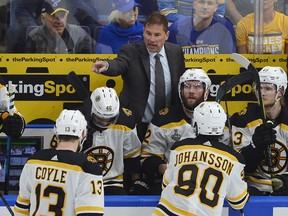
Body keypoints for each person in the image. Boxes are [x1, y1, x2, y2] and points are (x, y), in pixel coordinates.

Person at [92, 11, 186, 142]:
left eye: (157, 35)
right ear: (143, 32)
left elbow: (181, 84)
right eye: (148, 33)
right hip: (136, 123)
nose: (152, 39)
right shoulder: (131, 51)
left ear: (166, 35)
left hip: (166, 126)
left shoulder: (176, 52)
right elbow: (119, 64)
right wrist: (107, 65)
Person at [152, 101, 249, 216]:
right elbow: (238, 202)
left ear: (196, 124)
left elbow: (165, 185)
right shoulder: (233, 158)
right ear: (222, 125)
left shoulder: (179, 148)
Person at [14, 109, 104, 215]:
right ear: (83, 134)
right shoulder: (88, 167)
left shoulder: (33, 161)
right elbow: (90, 213)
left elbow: (21, 208)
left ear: (56, 133)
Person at [141, 68, 211, 194]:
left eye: (197, 87)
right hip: (171, 184)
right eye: (187, 86)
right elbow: (147, 157)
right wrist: (162, 168)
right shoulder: (163, 119)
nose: (191, 91)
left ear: (206, 91)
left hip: (208, 184)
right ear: (180, 90)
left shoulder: (218, 118)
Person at [228, 66, 288, 196]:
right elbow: (237, 167)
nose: (261, 93)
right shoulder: (243, 119)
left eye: (268, 88)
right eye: (259, 87)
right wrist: (255, 147)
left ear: (281, 92)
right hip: (253, 191)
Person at [78, 87, 146, 195]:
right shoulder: (76, 121)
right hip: (82, 181)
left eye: (109, 118)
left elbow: (132, 156)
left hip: (113, 183)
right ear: (91, 111)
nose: (105, 122)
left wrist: (136, 180)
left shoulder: (126, 122)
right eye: (100, 118)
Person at [24, 0, 95, 53]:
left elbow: (92, 64)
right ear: (43, 18)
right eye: (53, 16)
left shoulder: (80, 35)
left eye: (62, 15)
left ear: (67, 16)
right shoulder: (33, 37)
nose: (59, 20)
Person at [168, 0, 236, 54]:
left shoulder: (225, 27)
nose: (205, 7)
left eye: (210, 3)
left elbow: (229, 59)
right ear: (194, 5)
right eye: (201, 2)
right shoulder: (176, 28)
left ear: (216, 8)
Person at [158, 0, 226, 24]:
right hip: (177, 29)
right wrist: (192, 22)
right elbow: (167, 12)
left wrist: (202, 23)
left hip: (208, 28)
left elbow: (219, 14)